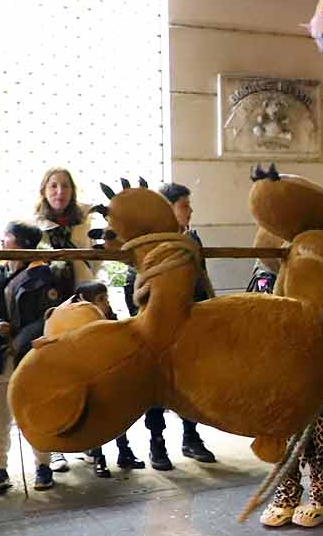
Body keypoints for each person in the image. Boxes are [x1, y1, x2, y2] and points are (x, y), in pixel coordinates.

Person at [0, 221, 69, 494]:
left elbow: (47, 317)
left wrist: (18, 341)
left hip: (30, 354)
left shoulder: (44, 277)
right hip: (0, 356)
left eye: (8, 237)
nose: (2, 241)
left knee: (36, 411)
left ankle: (43, 466)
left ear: (22, 244)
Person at [125, 183, 216, 469]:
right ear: (167, 209)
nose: (190, 211)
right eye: (184, 205)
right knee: (156, 385)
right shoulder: (147, 243)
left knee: (189, 383)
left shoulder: (192, 240)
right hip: (157, 327)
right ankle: (156, 443)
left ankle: (191, 436)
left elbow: (201, 279)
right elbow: (137, 284)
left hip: (189, 323)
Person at [259, 281, 323, 528]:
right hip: (280, 376)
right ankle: (287, 497)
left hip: (317, 374)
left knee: (320, 442)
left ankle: (320, 500)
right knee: (280, 439)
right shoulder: (270, 278)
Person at [68, 280, 144, 478]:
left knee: (118, 416)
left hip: (111, 375)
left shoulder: (111, 319)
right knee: (96, 418)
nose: (106, 303)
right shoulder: (75, 321)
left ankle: (124, 452)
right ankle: (98, 456)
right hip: (90, 377)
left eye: (106, 298)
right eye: (101, 299)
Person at [36, 166, 96, 287]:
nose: (60, 192)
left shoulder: (85, 220)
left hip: (84, 288)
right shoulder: (34, 225)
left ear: (72, 191)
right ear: (43, 191)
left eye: (65, 186)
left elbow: (95, 260)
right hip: (47, 291)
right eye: (53, 186)